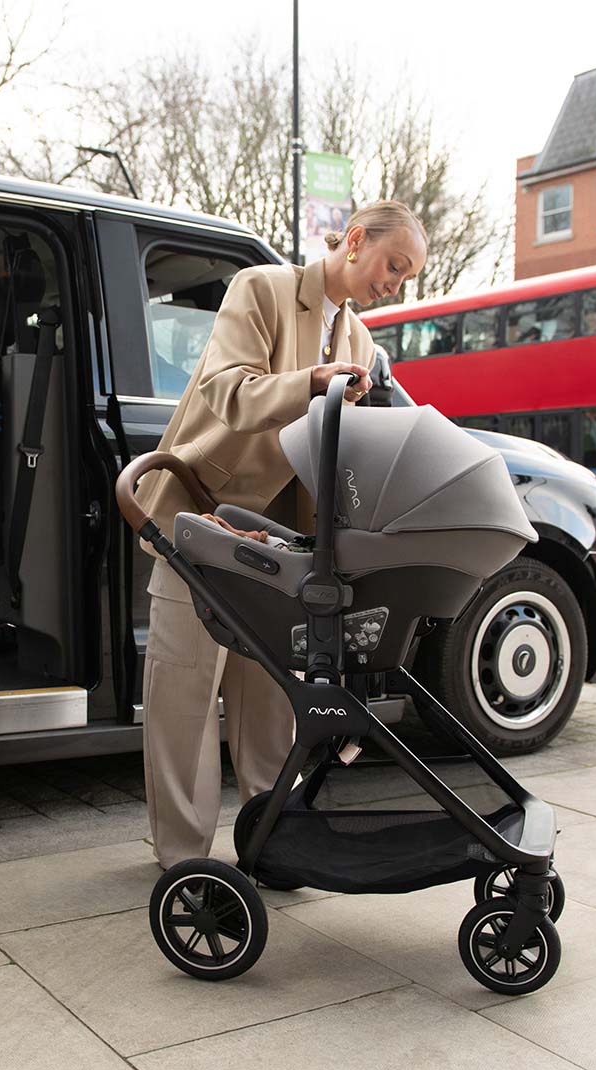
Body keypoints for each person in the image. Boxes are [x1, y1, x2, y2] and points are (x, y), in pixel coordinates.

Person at [134, 200, 428, 870]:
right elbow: (225, 390)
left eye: (407, 276)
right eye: (395, 266)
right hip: (198, 517)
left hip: (275, 546)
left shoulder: (362, 343)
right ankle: (183, 860)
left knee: (271, 695)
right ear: (356, 241)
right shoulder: (261, 290)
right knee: (184, 695)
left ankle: (272, 837)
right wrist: (312, 384)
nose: (396, 283)